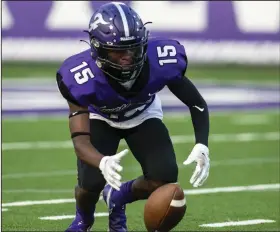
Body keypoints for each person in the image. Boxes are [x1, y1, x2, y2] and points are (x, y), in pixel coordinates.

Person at [56, 2, 210, 232]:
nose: (127, 57)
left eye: (133, 48)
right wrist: (101, 161)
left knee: (164, 177)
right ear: (98, 49)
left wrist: (202, 144)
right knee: (90, 184)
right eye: (118, 51)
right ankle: (83, 220)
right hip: (101, 117)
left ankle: (118, 196)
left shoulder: (161, 60)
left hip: (143, 114)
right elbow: (80, 141)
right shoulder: (79, 76)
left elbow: (196, 102)